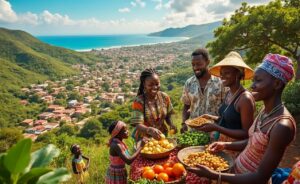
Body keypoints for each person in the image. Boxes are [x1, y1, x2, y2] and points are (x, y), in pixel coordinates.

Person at [187, 53, 297, 184]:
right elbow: (251, 143)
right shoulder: (265, 112)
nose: (252, 86)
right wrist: (225, 145)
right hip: (237, 171)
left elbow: (260, 177)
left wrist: (216, 175)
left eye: (258, 81)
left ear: (277, 84)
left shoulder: (282, 126)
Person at [196, 51, 255, 145]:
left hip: (235, 147)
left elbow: (246, 133)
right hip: (222, 144)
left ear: (238, 74)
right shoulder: (229, 93)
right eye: (221, 73)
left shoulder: (245, 99)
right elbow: (228, 119)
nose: (222, 76)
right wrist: (210, 117)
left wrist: (216, 128)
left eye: (227, 73)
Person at [181, 48, 225, 133]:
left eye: (199, 64)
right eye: (193, 64)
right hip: (194, 132)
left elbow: (226, 107)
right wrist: (183, 123)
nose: (195, 67)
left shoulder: (220, 82)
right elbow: (186, 105)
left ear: (207, 62)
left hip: (215, 131)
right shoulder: (189, 83)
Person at [131, 68, 177, 141]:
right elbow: (137, 124)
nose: (155, 87)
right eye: (150, 85)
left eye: (157, 84)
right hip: (144, 140)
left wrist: (171, 124)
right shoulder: (139, 101)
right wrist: (149, 130)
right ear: (144, 85)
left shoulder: (165, 97)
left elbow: (168, 115)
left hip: (162, 136)